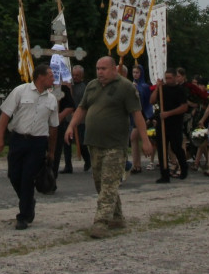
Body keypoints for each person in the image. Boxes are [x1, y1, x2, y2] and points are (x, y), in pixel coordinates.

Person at [64, 56, 153, 239]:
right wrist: (71, 125)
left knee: (109, 183)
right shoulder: (92, 86)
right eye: (98, 69)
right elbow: (82, 108)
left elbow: (137, 115)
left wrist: (145, 140)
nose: (100, 72)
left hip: (115, 144)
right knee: (101, 183)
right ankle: (117, 217)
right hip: (94, 142)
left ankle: (101, 222)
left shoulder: (126, 87)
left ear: (114, 69)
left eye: (104, 68)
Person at [0, 64, 59, 230]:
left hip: (38, 143)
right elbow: (5, 115)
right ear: (40, 77)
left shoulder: (52, 99)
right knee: (14, 175)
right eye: (50, 75)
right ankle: (28, 201)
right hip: (18, 139)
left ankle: (23, 216)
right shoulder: (20, 91)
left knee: (27, 178)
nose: (53, 79)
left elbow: (53, 127)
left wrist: (51, 151)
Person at [149, 68, 188, 182]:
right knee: (162, 149)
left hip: (175, 123)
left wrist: (169, 113)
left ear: (176, 77)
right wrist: (157, 88)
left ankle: (183, 169)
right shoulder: (163, 89)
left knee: (176, 147)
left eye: (170, 78)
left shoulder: (180, 90)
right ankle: (164, 174)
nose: (168, 80)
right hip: (162, 123)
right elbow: (152, 101)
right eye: (166, 78)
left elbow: (184, 107)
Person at [130, 65, 153, 173]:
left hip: (142, 113)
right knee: (134, 138)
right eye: (134, 72)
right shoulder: (131, 85)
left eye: (137, 72)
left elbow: (146, 102)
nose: (135, 74)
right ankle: (136, 164)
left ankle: (138, 164)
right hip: (133, 114)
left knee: (135, 137)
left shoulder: (144, 86)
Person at [70, 65, 91, 172]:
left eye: (77, 75)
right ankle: (68, 165)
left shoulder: (84, 88)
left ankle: (88, 160)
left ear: (82, 75)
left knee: (82, 143)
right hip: (70, 119)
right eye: (73, 75)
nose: (75, 77)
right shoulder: (70, 86)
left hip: (81, 120)